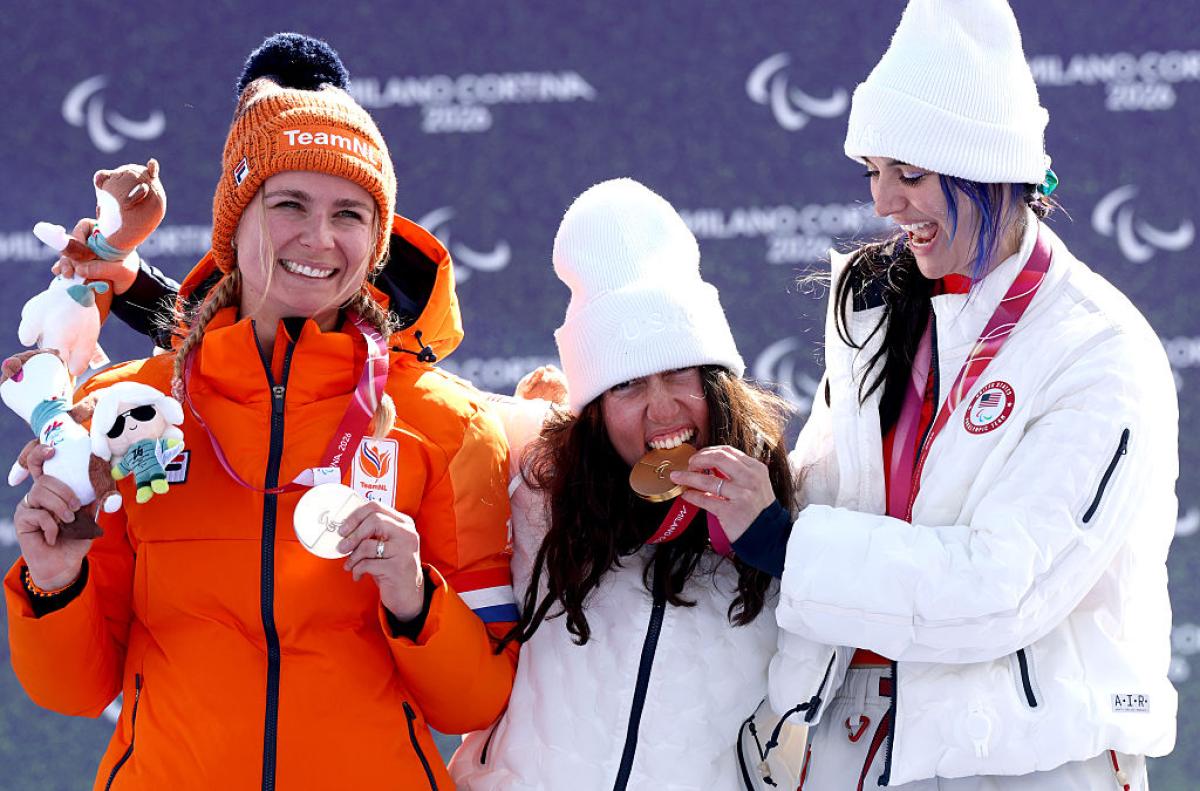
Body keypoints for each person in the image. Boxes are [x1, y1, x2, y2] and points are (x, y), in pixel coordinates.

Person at [5, 34, 518, 790]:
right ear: (234, 220)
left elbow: (477, 700)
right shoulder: (124, 410)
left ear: (376, 242)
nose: (319, 238)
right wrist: (53, 581)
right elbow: (73, 690)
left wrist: (415, 601)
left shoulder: (446, 423)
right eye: (289, 204)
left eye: (349, 212)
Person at [696, 1, 1178, 789]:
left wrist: (784, 540)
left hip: (1030, 765)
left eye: (909, 175)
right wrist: (742, 495)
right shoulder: (874, 307)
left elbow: (997, 589)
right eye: (874, 174)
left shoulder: (1099, 351)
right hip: (858, 749)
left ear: (986, 168)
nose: (883, 203)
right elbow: (835, 502)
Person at [447, 178, 799, 790]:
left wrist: (779, 543)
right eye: (626, 385)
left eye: (678, 372)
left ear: (717, 378)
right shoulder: (537, 486)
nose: (661, 412)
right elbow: (425, 408)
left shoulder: (783, 505)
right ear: (594, 407)